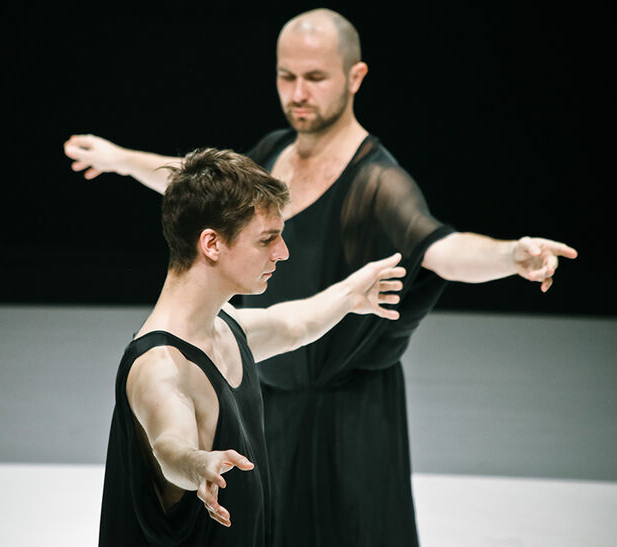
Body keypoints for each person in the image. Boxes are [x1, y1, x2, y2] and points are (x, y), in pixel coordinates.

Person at [67, 9, 578, 546]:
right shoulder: (271, 157)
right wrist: (122, 159)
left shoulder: (378, 181)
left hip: (345, 410)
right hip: (272, 396)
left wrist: (510, 256)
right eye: (286, 77)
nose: (298, 92)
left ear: (355, 78)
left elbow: (437, 248)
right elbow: (205, 197)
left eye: (315, 77)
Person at [98, 146, 407, 546]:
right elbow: (170, 447)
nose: (283, 253)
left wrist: (351, 294)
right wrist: (199, 465)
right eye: (267, 239)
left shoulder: (224, 327)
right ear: (212, 244)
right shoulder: (160, 365)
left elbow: (292, 325)